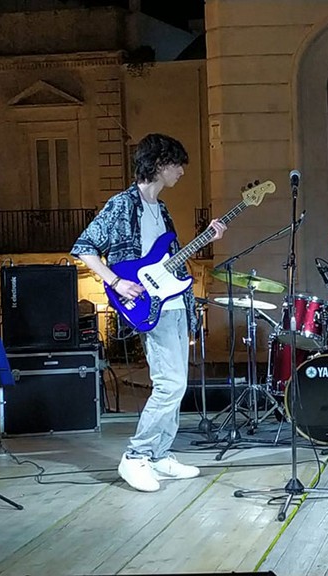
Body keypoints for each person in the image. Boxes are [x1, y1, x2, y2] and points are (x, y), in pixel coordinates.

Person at [72, 133, 226, 493]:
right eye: (178, 164)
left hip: (173, 304)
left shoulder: (162, 209)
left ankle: (159, 455)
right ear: (159, 164)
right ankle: (136, 456)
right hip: (146, 305)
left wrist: (207, 238)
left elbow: (166, 261)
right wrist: (116, 282)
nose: (182, 171)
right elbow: (84, 248)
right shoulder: (122, 205)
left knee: (178, 384)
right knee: (169, 384)